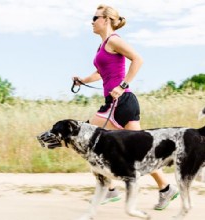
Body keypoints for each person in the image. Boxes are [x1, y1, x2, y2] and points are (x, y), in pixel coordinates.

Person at [73, 4, 179, 210]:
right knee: (132, 150)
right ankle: (164, 189)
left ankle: (112, 189)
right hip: (116, 104)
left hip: (121, 103)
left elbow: (138, 59)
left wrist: (122, 86)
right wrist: (83, 79)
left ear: (106, 20)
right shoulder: (103, 45)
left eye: (95, 18)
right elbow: (101, 72)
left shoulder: (114, 41)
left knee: (87, 140)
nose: (92, 21)